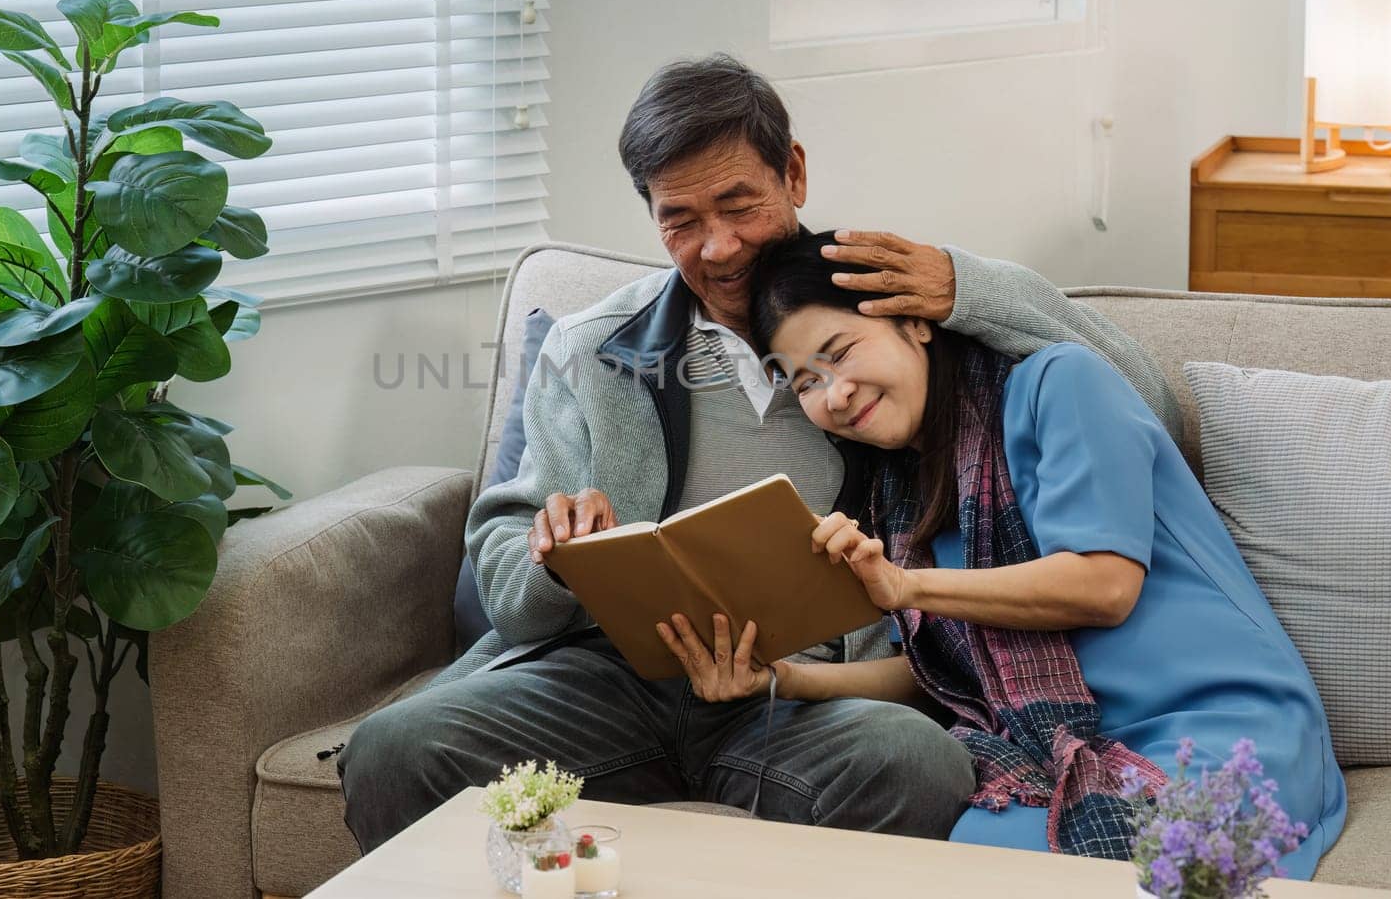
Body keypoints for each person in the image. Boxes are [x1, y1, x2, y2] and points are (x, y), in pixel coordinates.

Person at [337, 53, 1184, 852]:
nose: (718, 246)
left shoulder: (894, 313)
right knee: (396, 747)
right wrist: (552, 560)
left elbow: (1144, 406)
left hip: (809, 695)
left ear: (796, 174)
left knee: (915, 763)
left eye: (740, 206)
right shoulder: (592, 349)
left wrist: (973, 288)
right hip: (609, 679)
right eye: (681, 220)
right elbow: (512, 597)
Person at [667, 229, 1344, 874]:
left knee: (1043, 863)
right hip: (1065, 752)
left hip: (1228, 728)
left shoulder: (1061, 384)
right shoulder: (900, 498)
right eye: (805, 382)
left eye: (841, 352)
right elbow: (937, 677)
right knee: (974, 842)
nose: (834, 394)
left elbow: (1104, 587)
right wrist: (780, 677)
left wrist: (905, 589)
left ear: (915, 322)